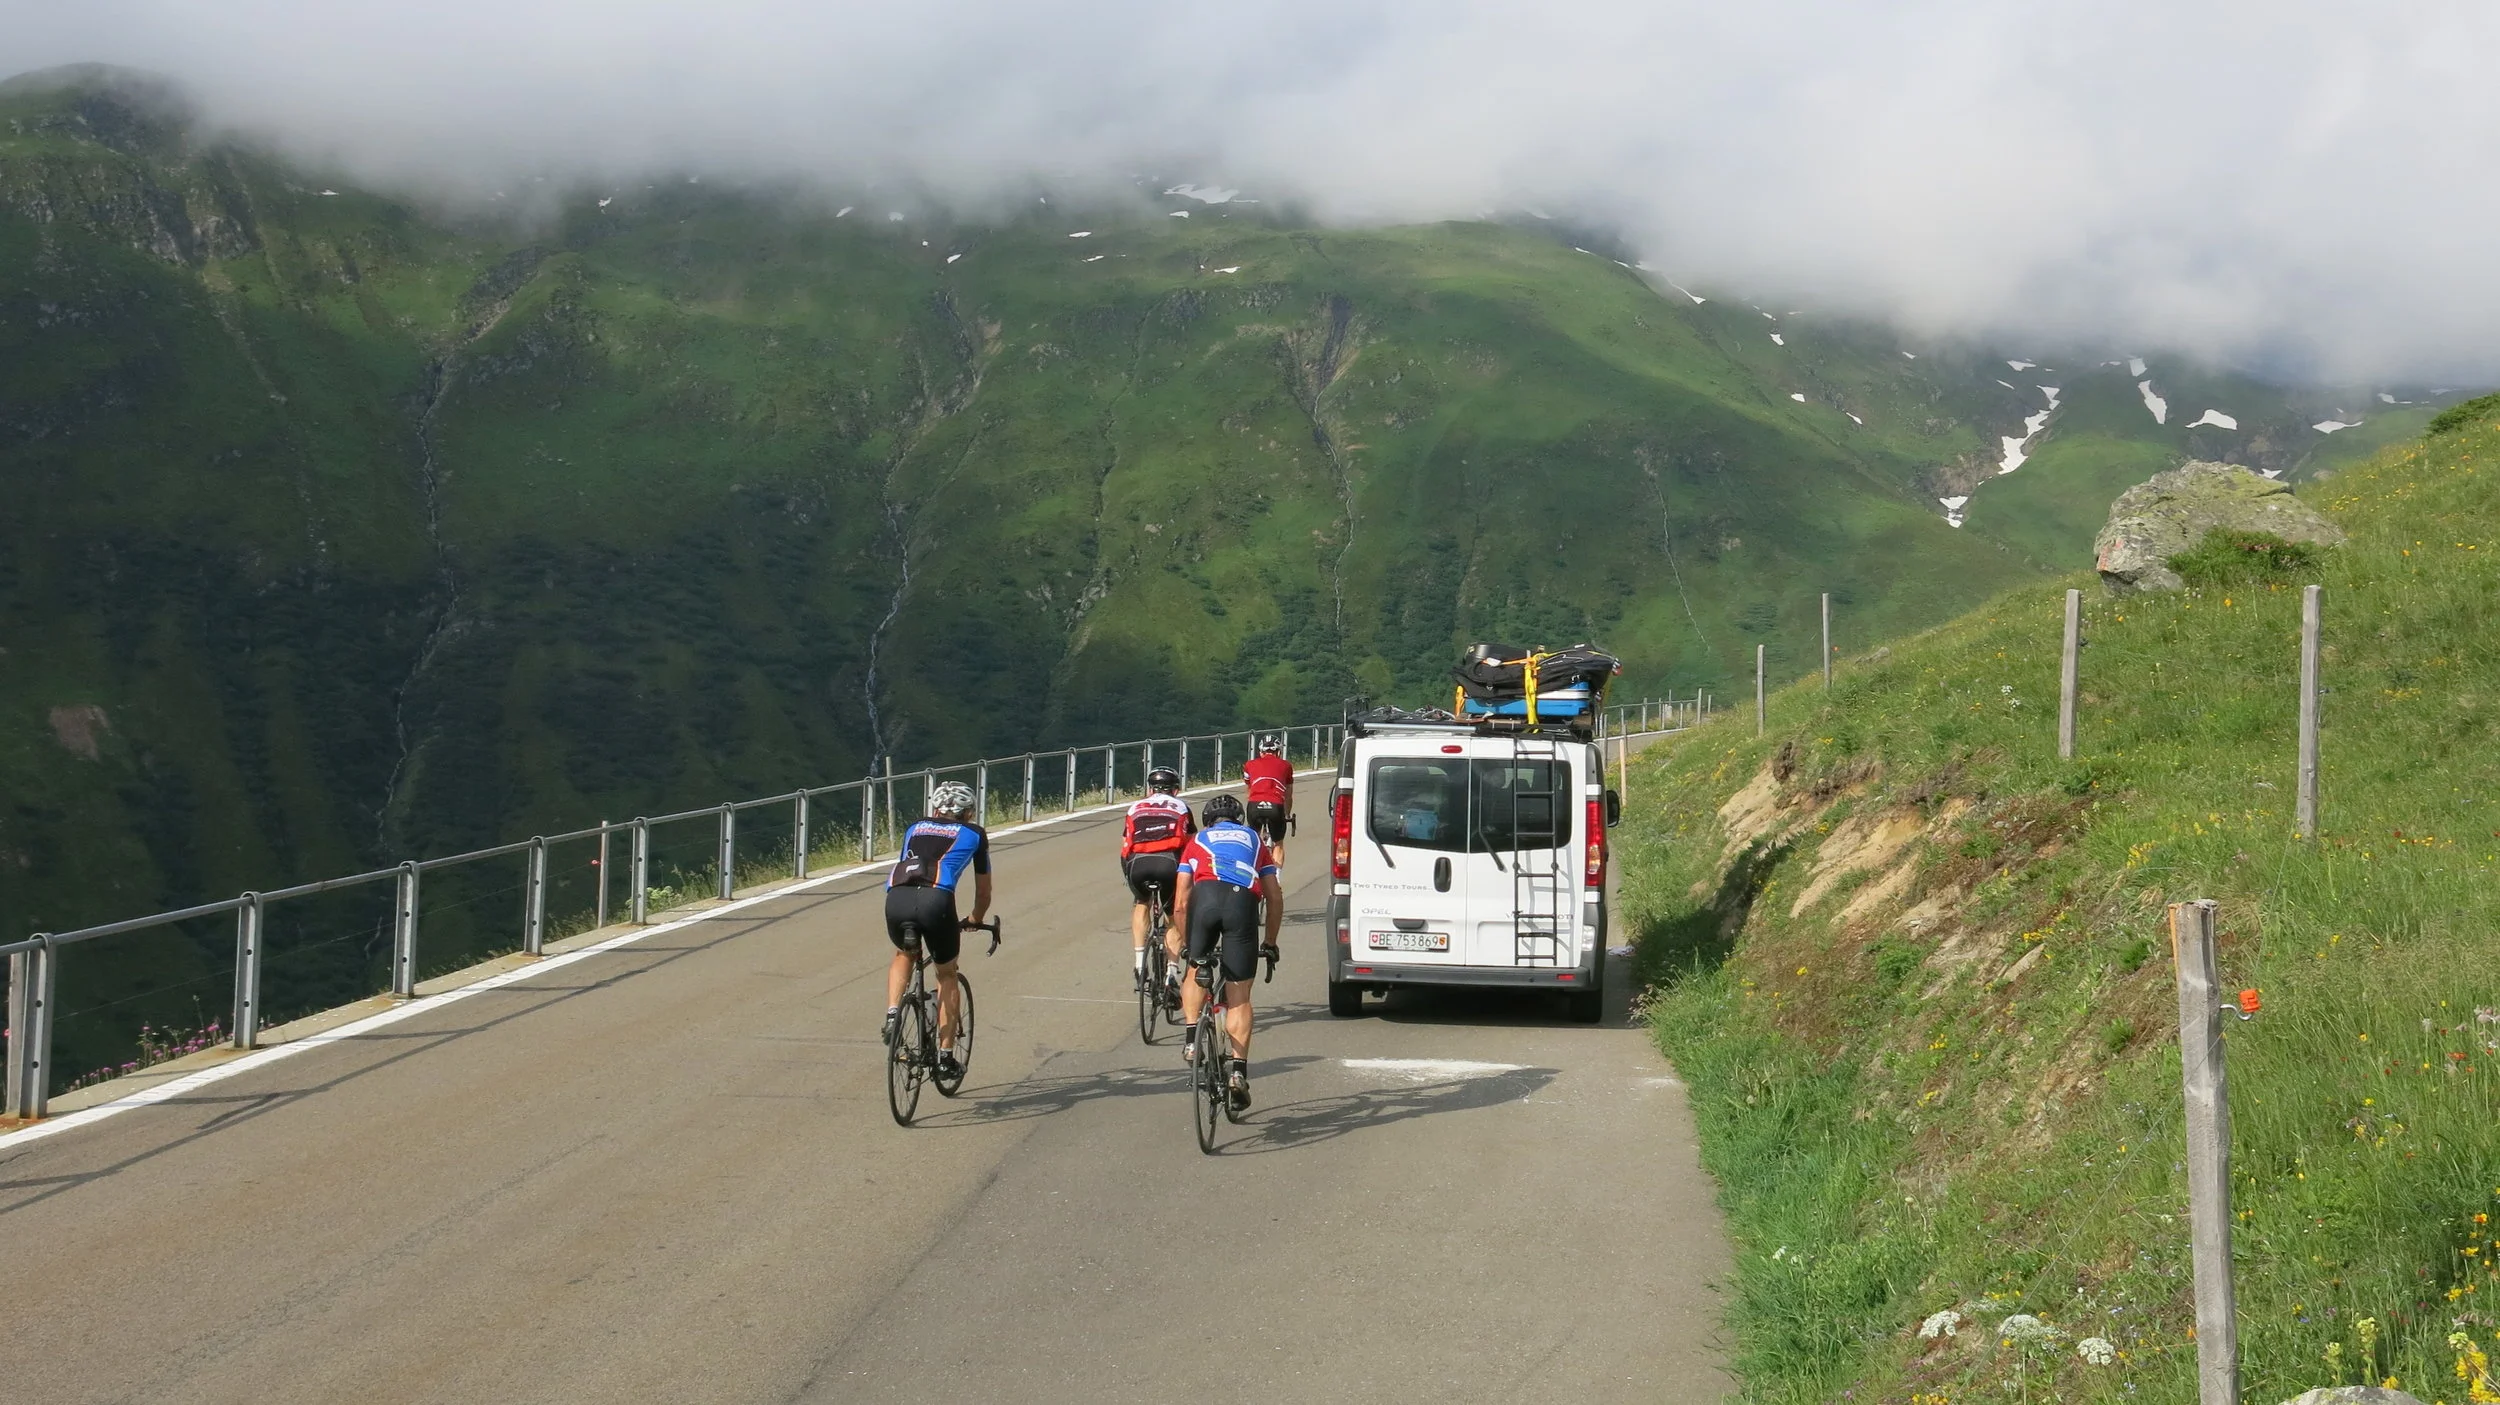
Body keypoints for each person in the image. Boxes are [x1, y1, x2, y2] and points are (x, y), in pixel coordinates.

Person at [1171, 792, 1283, 1113]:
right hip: (1241, 905)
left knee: (1195, 968)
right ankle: (1237, 1073)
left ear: (1208, 820)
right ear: (1239, 820)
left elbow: (1180, 900)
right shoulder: (1254, 840)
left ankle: (1192, 1040)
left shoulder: (1197, 840)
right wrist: (1270, 942)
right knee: (1240, 997)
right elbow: (1274, 897)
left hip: (1204, 901)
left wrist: (1187, 941)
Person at [882, 780, 990, 1082]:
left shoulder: (914, 828)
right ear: (969, 813)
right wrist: (975, 918)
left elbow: (906, 861)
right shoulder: (975, 834)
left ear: (934, 809)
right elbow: (983, 892)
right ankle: (945, 1057)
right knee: (946, 973)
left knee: (904, 952)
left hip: (897, 898)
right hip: (936, 900)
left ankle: (893, 1014)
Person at [1119, 766, 1195, 989]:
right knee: (1173, 913)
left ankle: (1140, 962)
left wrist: (1129, 876)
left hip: (1137, 864)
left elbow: (1125, 848)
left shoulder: (1134, 807)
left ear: (1149, 789)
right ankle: (1172, 972)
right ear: (1176, 790)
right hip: (1169, 863)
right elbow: (1190, 845)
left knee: (1142, 902)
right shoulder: (1181, 806)